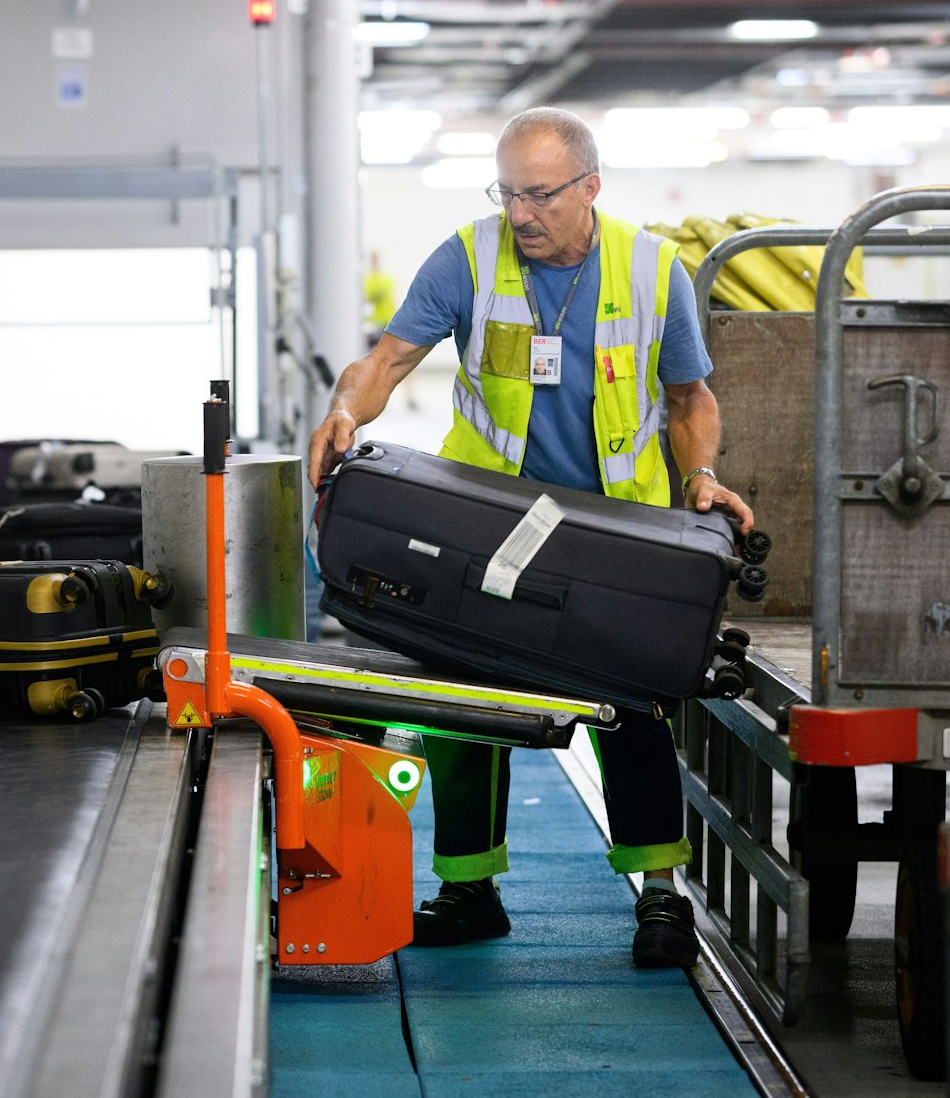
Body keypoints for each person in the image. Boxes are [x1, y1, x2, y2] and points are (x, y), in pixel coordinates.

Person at [305, 107, 755, 969]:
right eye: (507, 191)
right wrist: (343, 407)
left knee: (635, 705)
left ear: (590, 187)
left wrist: (698, 475)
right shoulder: (468, 257)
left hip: (615, 534)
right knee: (464, 700)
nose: (520, 214)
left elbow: (690, 396)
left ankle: (661, 895)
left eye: (539, 195)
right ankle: (469, 888)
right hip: (488, 530)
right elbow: (388, 359)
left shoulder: (656, 269)